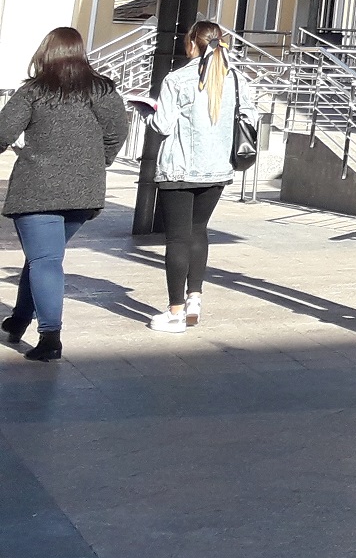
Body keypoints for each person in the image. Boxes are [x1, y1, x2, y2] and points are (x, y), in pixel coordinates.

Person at [0, 27, 129, 363]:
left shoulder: (34, 91)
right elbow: (117, 132)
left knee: (44, 260)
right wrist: (96, 163)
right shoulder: (102, 90)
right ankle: (19, 320)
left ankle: (50, 337)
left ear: (46, 53)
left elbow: (3, 132)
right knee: (43, 257)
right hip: (83, 193)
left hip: (37, 189)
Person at [146, 20, 248, 334]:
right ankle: (194, 300)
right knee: (198, 231)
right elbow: (250, 116)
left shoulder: (177, 79)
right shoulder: (235, 78)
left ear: (192, 43)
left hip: (179, 168)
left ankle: (175, 312)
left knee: (177, 239)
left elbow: (162, 125)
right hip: (217, 168)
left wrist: (147, 112)